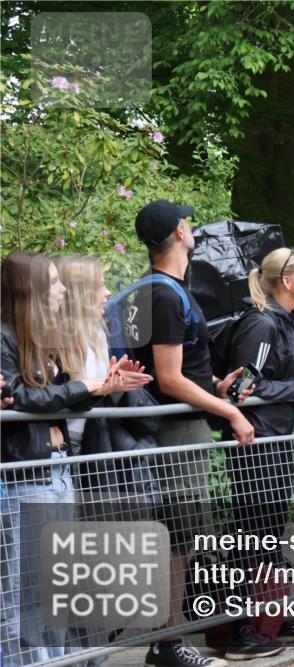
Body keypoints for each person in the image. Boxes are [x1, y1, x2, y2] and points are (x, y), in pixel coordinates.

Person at [1, 252, 149, 667]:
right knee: (27, 601)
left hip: (57, 473)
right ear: (28, 291)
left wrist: (99, 388)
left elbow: (49, 399)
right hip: (27, 477)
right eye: (53, 282)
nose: (61, 289)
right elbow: (24, 399)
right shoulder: (4, 338)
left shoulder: (38, 338)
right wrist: (88, 385)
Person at [129, 200, 256, 667]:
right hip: (175, 429)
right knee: (179, 536)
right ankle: (168, 643)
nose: (191, 226)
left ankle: (171, 639)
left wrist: (216, 385)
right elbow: (168, 377)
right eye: (186, 222)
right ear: (178, 233)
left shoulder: (158, 289)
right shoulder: (162, 292)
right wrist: (229, 410)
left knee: (179, 536)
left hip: (176, 422)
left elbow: (181, 373)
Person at [207, 248, 294, 659]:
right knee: (252, 536)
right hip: (254, 445)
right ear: (286, 281)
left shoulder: (287, 319)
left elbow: (275, 378)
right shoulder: (261, 324)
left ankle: (270, 614)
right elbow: (245, 389)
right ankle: (237, 627)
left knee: (269, 536)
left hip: (277, 440)